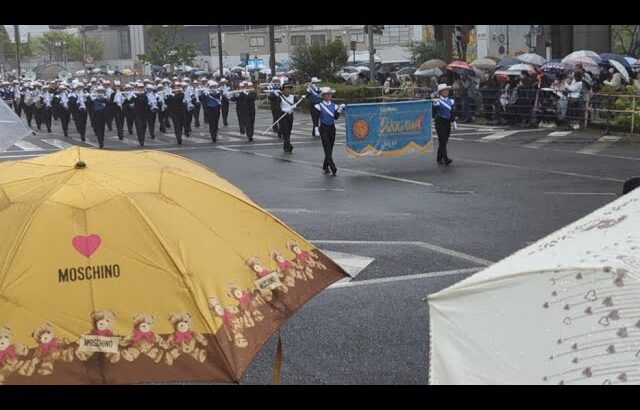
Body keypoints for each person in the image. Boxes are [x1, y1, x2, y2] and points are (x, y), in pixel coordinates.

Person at [314, 87, 345, 176]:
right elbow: (316, 118)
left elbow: (335, 117)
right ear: (323, 96)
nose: (329, 95)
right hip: (323, 128)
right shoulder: (318, 106)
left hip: (332, 128)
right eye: (327, 94)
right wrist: (316, 128)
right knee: (326, 148)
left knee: (330, 148)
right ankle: (332, 166)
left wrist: (339, 109)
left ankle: (325, 166)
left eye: (330, 94)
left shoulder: (334, 105)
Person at [432, 83, 456, 166]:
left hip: (447, 122)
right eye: (444, 90)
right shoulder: (437, 101)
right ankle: (445, 159)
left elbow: (452, 112)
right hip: (440, 121)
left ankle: (439, 158)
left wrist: (453, 121)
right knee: (442, 140)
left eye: (447, 90)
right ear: (440, 92)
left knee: (444, 140)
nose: (446, 92)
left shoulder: (451, 101)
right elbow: (433, 112)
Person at [275, 82, 301, 154]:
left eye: (289, 89)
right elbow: (277, 107)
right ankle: (288, 146)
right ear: (283, 89)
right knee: (285, 131)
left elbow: (299, 103)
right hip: (283, 116)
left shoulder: (292, 97)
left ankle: (285, 146)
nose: (287, 90)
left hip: (290, 115)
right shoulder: (279, 97)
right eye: (286, 88)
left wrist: (295, 106)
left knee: (289, 131)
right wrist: (281, 113)